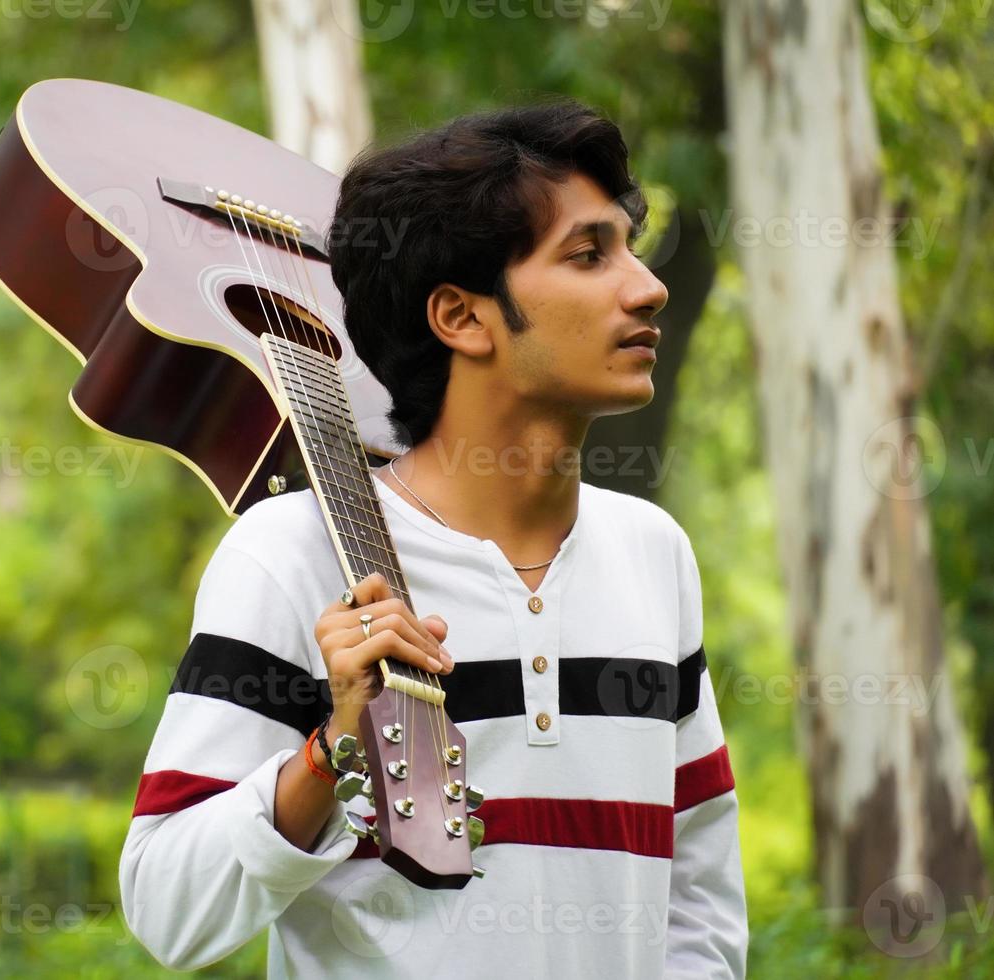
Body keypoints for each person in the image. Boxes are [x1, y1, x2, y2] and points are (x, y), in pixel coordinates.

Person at [118, 98, 747, 978]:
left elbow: (700, 905)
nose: (646, 286)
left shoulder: (652, 552)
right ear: (460, 317)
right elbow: (166, 909)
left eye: (627, 249)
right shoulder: (291, 552)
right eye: (587, 255)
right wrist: (331, 748)